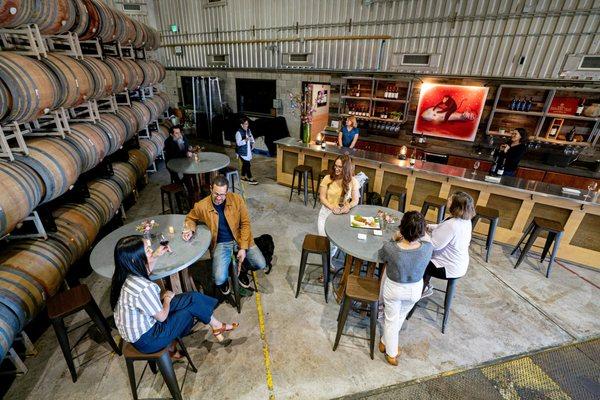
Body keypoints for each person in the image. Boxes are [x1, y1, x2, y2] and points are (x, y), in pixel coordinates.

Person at [111, 235, 238, 355]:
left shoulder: (126, 275)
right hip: (148, 339)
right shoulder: (143, 287)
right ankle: (215, 327)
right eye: (148, 250)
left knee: (192, 297)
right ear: (135, 259)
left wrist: (155, 255)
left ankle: (216, 326)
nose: (151, 250)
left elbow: (146, 271)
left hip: (146, 324)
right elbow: (161, 317)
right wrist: (166, 299)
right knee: (189, 311)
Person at [182, 175, 266, 296]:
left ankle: (242, 270)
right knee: (219, 279)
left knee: (260, 263)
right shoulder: (202, 205)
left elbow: (246, 223)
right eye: (216, 193)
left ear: (227, 192)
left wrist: (243, 247)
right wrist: (190, 229)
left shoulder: (237, 199)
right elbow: (190, 218)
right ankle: (226, 279)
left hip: (240, 238)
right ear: (211, 189)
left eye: (222, 194)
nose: (219, 198)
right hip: (221, 244)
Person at [378, 211, 433, 366]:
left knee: (390, 320)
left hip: (395, 288)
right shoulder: (427, 248)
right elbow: (426, 241)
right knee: (399, 317)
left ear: (401, 228)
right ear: (422, 231)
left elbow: (381, 256)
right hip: (415, 289)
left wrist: (392, 239)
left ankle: (391, 353)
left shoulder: (392, 248)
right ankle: (384, 342)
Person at [422, 191, 475, 297]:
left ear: (456, 206)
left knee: (416, 259)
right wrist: (430, 227)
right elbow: (444, 229)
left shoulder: (452, 225)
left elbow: (434, 245)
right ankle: (423, 285)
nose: (448, 199)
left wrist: (420, 232)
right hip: (459, 264)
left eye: (450, 199)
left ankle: (418, 289)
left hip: (446, 267)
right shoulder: (465, 220)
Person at [318, 155, 360, 271]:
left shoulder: (353, 181)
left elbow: (356, 200)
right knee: (326, 243)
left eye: (340, 167)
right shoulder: (328, 178)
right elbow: (322, 197)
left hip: (341, 216)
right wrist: (332, 207)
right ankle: (326, 267)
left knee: (335, 243)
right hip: (326, 213)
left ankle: (328, 263)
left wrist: (348, 206)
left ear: (346, 168)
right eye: (335, 166)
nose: (336, 169)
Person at [235, 117, 258, 185]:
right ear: (241, 125)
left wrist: (252, 141)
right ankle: (250, 179)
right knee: (247, 165)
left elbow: (251, 137)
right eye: (245, 124)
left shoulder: (248, 130)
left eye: (247, 124)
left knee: (245, 165)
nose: (247, 125)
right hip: (242, 152)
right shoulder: (238, 133)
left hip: (248, 151)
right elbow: (238, 143)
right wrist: (245, 140)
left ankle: (242, 177)